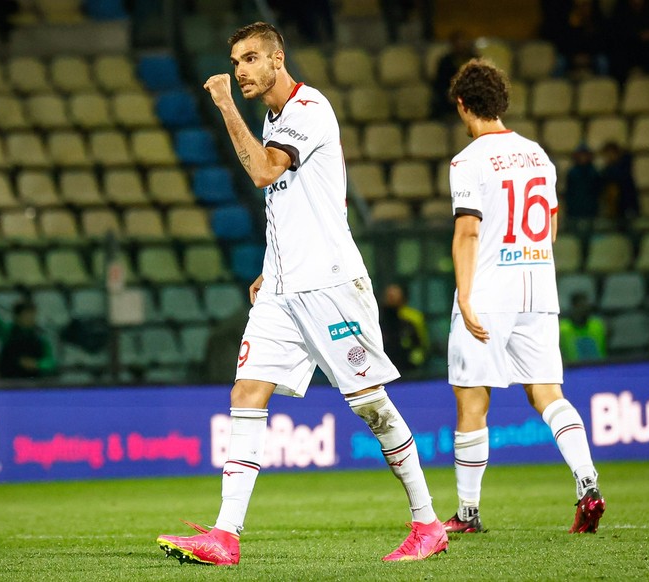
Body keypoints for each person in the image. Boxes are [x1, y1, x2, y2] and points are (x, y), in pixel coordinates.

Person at [157, 22, 447, 565]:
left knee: (372, 408)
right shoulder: (273, 117)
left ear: (277, 58)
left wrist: (224, 105)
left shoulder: (310, 110)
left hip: (330, 285)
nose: (240, 70)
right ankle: (226, 535)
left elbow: (266, 173)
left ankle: (427, 523)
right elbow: (287, 204)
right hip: (284, 291)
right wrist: (271, 267)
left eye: (249, 59)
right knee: (246, 394)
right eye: (235, 62)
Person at [444, 59, 605, 535]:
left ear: (462, 105)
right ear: (502, 103)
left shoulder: (468, 160)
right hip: (537, 289)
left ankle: (468, 513)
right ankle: (587, 482)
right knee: (549, 394)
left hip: (489, 292)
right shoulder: (538, 154)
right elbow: (550, 228)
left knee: (473, 402)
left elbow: (468, 231)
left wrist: (467, 297)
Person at [0, 296, 56, 379]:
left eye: (33, 314)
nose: (31, 318)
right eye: (26, 315)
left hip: (34, 384)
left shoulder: (40, 337)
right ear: (17, 316)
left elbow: (51, 362)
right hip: (9, 383)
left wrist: (37, 364)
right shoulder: (8, 332)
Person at [380, 283, 429, 374]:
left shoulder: (413, 317)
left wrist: (417, 360)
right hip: (385, 364)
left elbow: (422, 342)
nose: (391, 298)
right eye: (389, 296)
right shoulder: (379, 317)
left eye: (394, 295)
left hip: (409, 367)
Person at [432, 29, 478, 118]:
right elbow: (440, 83)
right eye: (457, 42)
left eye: (463, 41)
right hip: (450, 99)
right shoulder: (445, 62)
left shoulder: (475, 60)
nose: (460, 44)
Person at [563, 143, 601, 233]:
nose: (583, 157)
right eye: (581, 155)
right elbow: (569, 192)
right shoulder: (572, 173)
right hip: (574, 211)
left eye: (585, 155)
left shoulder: (594, 173)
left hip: (591, 211)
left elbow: (597, 192)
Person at [599, 141, 639, 226]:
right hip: (615, 211)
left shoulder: (623, 169)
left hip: (627, 207)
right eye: (606, 155)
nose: (608, 157)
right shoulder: (608, 170)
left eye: (611, 154)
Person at [559, 292, 607, 362]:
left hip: (599, 367)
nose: (584, 310)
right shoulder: (562, 328)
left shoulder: (598, 325)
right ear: (573, 307)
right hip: (573, 369)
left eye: (586, 306)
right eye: (581, 306)